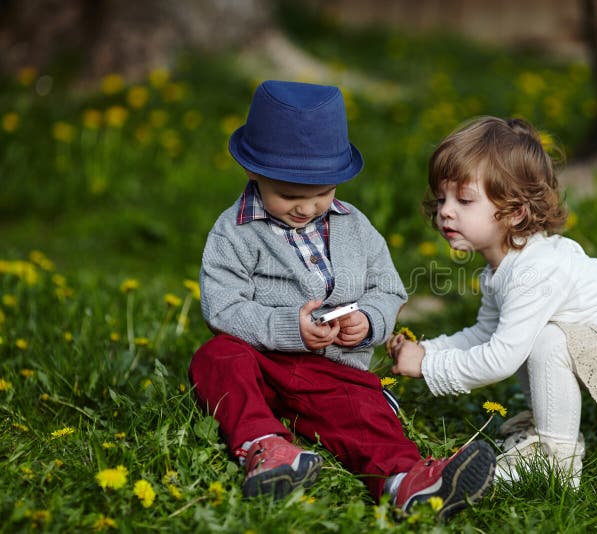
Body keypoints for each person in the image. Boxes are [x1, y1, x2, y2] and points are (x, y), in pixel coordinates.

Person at [188, 80, 495, 519]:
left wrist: (369, 321)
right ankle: (267, 449)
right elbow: (221, 306)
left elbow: (387, 289)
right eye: (290, 196)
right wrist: (287, 327)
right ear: (253, 172)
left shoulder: (355, 228)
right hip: (261, 359)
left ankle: (407, 482)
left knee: (361, 412)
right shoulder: (232, 233)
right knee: (216, 359)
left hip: (330, 371)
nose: (306, 208)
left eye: (322, 194)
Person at [388, 116, 597, 489]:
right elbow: (486, 334)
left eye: (464, 199)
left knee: (544, 340)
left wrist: (430, 368)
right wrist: (426, 351)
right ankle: (547, 427)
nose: (445, 211)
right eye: (442, 198)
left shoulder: (535, 270)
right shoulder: (503, 267)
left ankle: (556, 456)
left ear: (515, 212)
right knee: (529, 334)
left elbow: (499, 360)